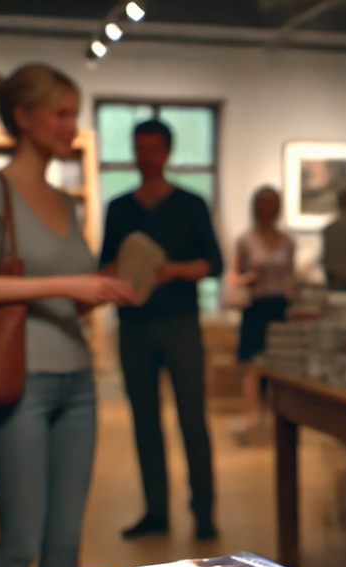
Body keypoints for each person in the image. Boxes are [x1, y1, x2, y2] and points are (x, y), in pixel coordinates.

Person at [0, 63, 138, 567]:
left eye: (74, 115)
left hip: (78, 384)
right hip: (18, 384)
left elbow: (68, 302)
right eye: (60, 114)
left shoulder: (68, 201)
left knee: (65, 545)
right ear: (24, 117)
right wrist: (66, 286)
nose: (71, 127)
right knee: (19, 542)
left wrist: (104, 287)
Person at [99, 119, 224, 542]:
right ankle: (155, 510)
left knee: (193, 417)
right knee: (144, 421)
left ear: (167, 152)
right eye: (138, 148)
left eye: (152, 149)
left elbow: (214, 264)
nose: (144, 157)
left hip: (180, 325)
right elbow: (106, 265)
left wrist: (172, 271)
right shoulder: (118, 207)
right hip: (133, 326)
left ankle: (204, 512)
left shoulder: (191, 204)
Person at [230, 185, 295, 441]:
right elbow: (234, 276)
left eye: (272, 204)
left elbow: (291, 276)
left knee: (277, 366)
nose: (268, 209)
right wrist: (250, 277)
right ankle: (251, 418)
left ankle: (274, 417)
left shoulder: (287, 241)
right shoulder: (246, 240)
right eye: (263, 204)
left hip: (279, 305)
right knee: (253, 365)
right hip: (256, 305)